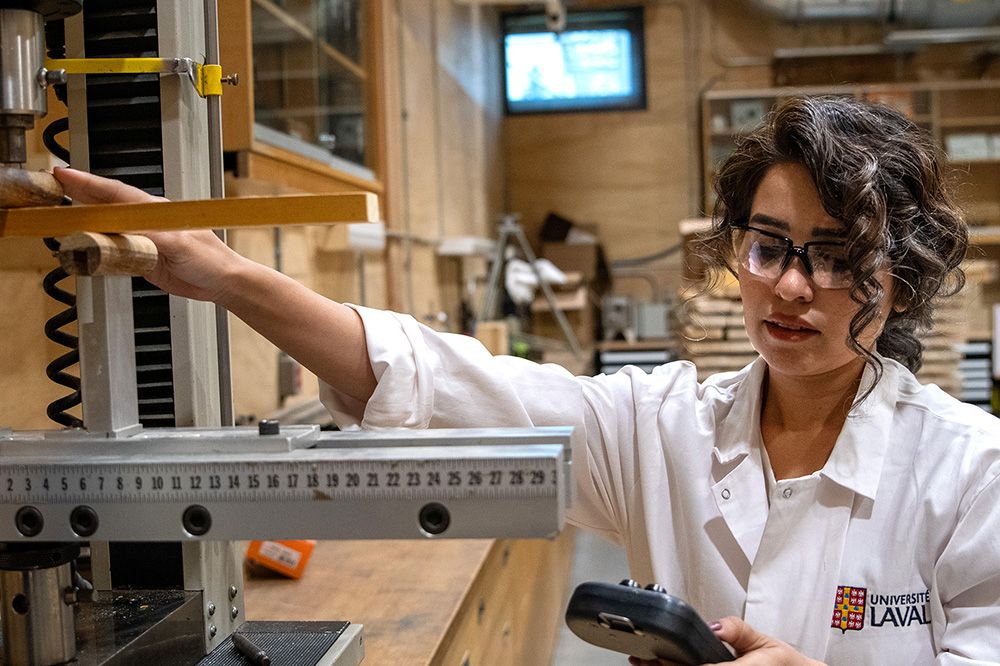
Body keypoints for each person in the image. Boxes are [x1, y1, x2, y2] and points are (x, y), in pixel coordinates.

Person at [53, 95, 1000, 665]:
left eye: (835, 255)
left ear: (900, 277)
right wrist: (225, 276)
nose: (792, 286)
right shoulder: (662, 427)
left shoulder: (968, 470)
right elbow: (440, 381)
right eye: (769, 247)